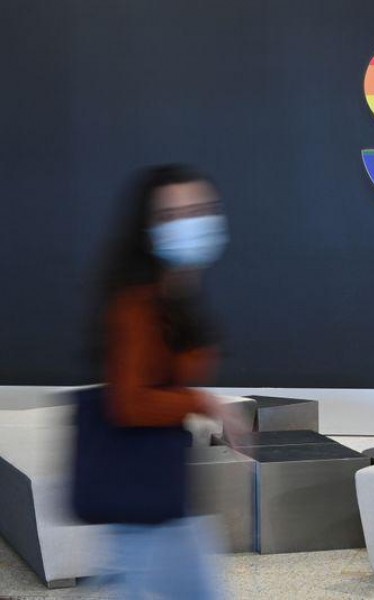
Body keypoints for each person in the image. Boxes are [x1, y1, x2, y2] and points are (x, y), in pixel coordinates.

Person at [91, 164, 241, 598]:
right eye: (173, 216)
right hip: (141, 492)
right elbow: (129, 402)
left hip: (166, 489)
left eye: (200, 210)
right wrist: (206, 403)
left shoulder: (176, 295)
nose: (191, 224)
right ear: (148, 228)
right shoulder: (137, 304)